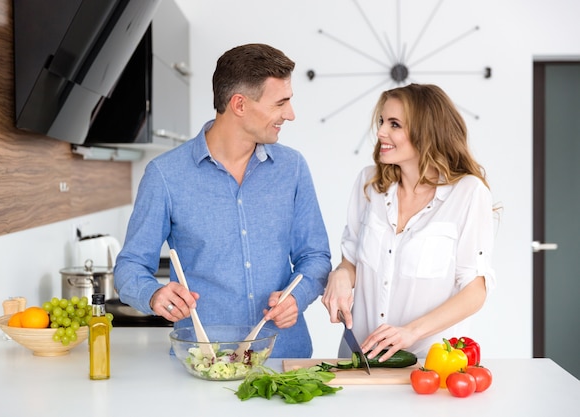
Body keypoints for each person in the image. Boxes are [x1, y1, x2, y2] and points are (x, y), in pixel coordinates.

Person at [114, 43, 331, 358]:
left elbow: (315, 256)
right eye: (280, 103)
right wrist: (153, 294)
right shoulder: (165, 175)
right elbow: (130, 265)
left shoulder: (292, 168)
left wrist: (299, 296)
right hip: (203, 361)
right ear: (239, 104)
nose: (290, 114)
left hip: (283, 359)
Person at [322, 83, 496, 361]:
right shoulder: (369, 185)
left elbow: (475, 290)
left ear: (428, 131)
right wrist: (340, 276)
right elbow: (352, 260)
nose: (380, 132)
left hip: (430, 361)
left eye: (394, 124)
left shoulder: (468, 193)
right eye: (381, 121)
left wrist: (410, 333)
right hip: (358, 355)